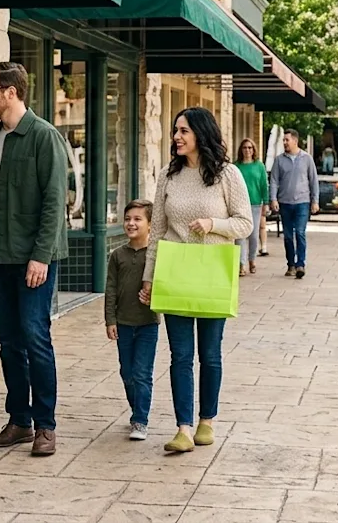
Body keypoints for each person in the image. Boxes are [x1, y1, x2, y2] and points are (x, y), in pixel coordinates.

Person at [0, 62, 68, 457]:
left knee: (35, 337)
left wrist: (40, 257)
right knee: (9, 342)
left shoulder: (45, 137)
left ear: (10, 92)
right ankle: (19, 421)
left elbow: (54, 202)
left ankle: (46, 425)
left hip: (34, 259)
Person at [140, 107, 252, 454]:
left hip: (211, 273)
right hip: (175, 272)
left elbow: (244, 223)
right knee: (180, 356)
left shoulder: (227, 175)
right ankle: (184, 428)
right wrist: (148, 278)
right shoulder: (168, 177)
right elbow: (157, 230)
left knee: (210, 354)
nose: (176, 136)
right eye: (175, 130)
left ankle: (207, 420)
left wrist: (212, 224)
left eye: (184, 131)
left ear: (201, 134)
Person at [105, 200, 158, 441]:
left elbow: (165, 287)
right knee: (127, 372)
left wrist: (153, 296)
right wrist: (110, 319)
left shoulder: (156, 256)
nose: (131, 223)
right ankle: (136, 409)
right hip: (124, 323)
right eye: (128, 218)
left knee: (142, 372)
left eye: (138, 219)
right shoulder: (117, 255)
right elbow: (111, 289)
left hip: (148, 323)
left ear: (150, 224)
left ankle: (140, 420)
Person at [270, 129, 320, 279]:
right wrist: (273, 199)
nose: (284, 142)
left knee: (299, 232)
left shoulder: (307, 158)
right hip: (285, 203)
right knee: (287, 236)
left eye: (287, 140)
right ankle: (291, 264)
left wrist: (315, 201)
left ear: (295, 141)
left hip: (302, 202)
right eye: (283, 140)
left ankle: (301, 264)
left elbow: (313, 180)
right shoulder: (279, 160)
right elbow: (273, 180)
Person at [234, 138, 269, 276]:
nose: (247, 150)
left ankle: (252, 260)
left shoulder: (259, 166)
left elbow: (263, 185)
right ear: (241, 150)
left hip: (255, 204)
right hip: (239, 204)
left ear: (253, 150)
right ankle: (241, 265)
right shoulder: (236, 166)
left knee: (253, 235)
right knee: (240, 236)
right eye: (245, 148)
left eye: (250, 148)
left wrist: (266, 203)